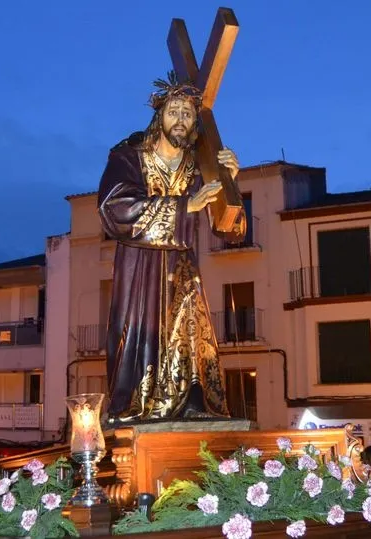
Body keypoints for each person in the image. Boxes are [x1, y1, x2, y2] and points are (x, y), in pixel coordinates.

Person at [97, 72, 246, 424]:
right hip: (140, 268)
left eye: (188, 114)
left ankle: (194, 398)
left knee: (190, 326)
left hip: (182, 268)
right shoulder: (129, 156)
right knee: (140, 334)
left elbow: (230, 229)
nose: (180, 120)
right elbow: (113, 207)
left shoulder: (199, 164)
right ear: (159, 116)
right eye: (173, 112)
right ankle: (138, 404)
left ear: (195, 122)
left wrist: (229, 182)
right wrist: (184, 206)